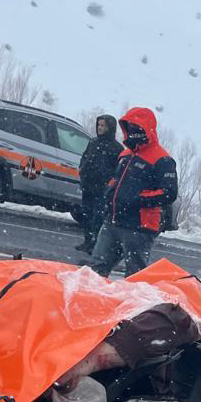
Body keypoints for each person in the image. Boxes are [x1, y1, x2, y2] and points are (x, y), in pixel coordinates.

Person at [89, 107, 177, 277]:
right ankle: (92, 301)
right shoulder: (125, 154)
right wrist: (110, 190)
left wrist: (137, 199)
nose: (131, 131)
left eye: (136, 128)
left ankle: (132, 304)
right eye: (128, 127)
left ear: (146, 129)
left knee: (134, 276)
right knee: (95, 271)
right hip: (113, 221)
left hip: (139, 227)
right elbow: (115, 178)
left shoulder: (162, 159)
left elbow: (169, 192)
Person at [75, 115, 121, 253]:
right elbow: (85, 158)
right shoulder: (93, 142)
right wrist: (82, 170)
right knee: (86, 214)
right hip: (88, 185)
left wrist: (109, 183)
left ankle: (96, 245)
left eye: (103, 126)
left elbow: (118, 170)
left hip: (103, 189)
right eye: (99, 125)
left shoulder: (117, 148)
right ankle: (88, 241)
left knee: (98, 218)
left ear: (110, 128)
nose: (100, 128)